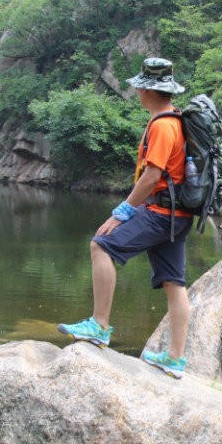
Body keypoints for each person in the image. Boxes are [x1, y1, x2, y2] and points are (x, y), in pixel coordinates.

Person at [57, 57, 193, 379]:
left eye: (139, 88)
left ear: (148, 90)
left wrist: (123, 212)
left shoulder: (161, 125)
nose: (137, 92)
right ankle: (174, 359)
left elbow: (151, 176)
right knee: (175, 283)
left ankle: (99, 326)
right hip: (179, 215)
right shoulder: (178, 120)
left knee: (101, 245)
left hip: (160, 213)